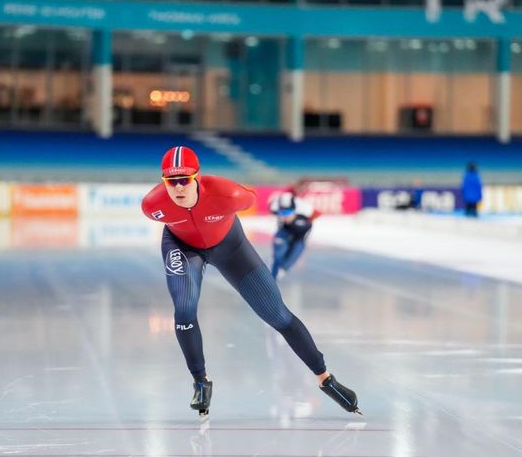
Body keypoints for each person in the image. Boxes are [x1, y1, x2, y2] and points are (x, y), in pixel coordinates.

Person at [141, 146, 360, 419]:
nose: (178, 188)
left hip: (231, 247)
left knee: (277, 314)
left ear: (197, 177)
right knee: (184, 310)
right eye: (170, 181)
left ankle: (326, 378)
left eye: (184, 179)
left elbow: (252, 199)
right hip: (183, 248)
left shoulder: (227, 194)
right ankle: (200, 382)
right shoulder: (152, 205)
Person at [269, 190, 320, 280]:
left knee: (297, 249)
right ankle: (275, 270)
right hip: (284, 230)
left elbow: (316, 215)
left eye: (287, 213)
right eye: (282, 213)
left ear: (295, 211)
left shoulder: (305, 210)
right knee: (278, 252)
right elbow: (272, 208)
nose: (285, 216)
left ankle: (283, 269)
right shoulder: (275, 206)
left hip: (299, 235)